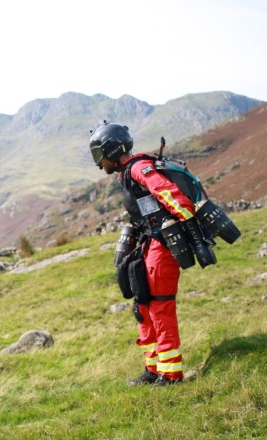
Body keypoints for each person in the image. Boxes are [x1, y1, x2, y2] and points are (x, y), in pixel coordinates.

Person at [89, 121, 191, 386]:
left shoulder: (138, 168)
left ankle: (171, 375)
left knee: (160, 306)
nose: (99, 163)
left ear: (111, 150)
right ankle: (153, 369)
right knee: (142, 306)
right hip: (147, 244)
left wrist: (185, 217)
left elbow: (165, 190)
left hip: (162, 246)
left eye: (100, 154)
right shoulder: (127, 174)